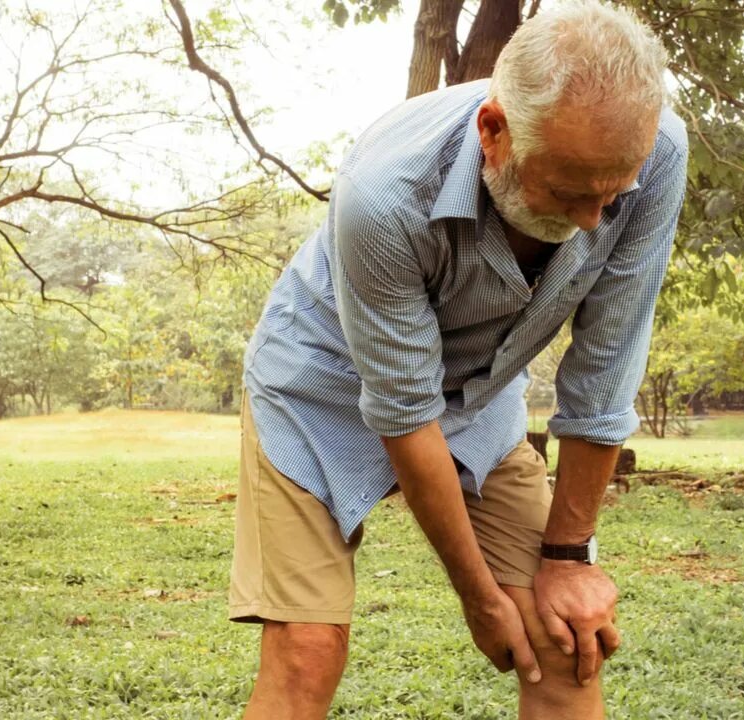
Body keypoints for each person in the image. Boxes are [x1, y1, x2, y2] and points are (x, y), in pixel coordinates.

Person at [230, 1, 687, 717]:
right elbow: (406, 412)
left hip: (477, 391)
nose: (595, 221)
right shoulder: (383, 192)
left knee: (565, 639)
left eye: (612, 194)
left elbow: (605, 370)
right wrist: (478, 597)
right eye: (569, 191)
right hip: (318, 384)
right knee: (307, 650)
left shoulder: (656, 154)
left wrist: (567, 559)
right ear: (494, 132)